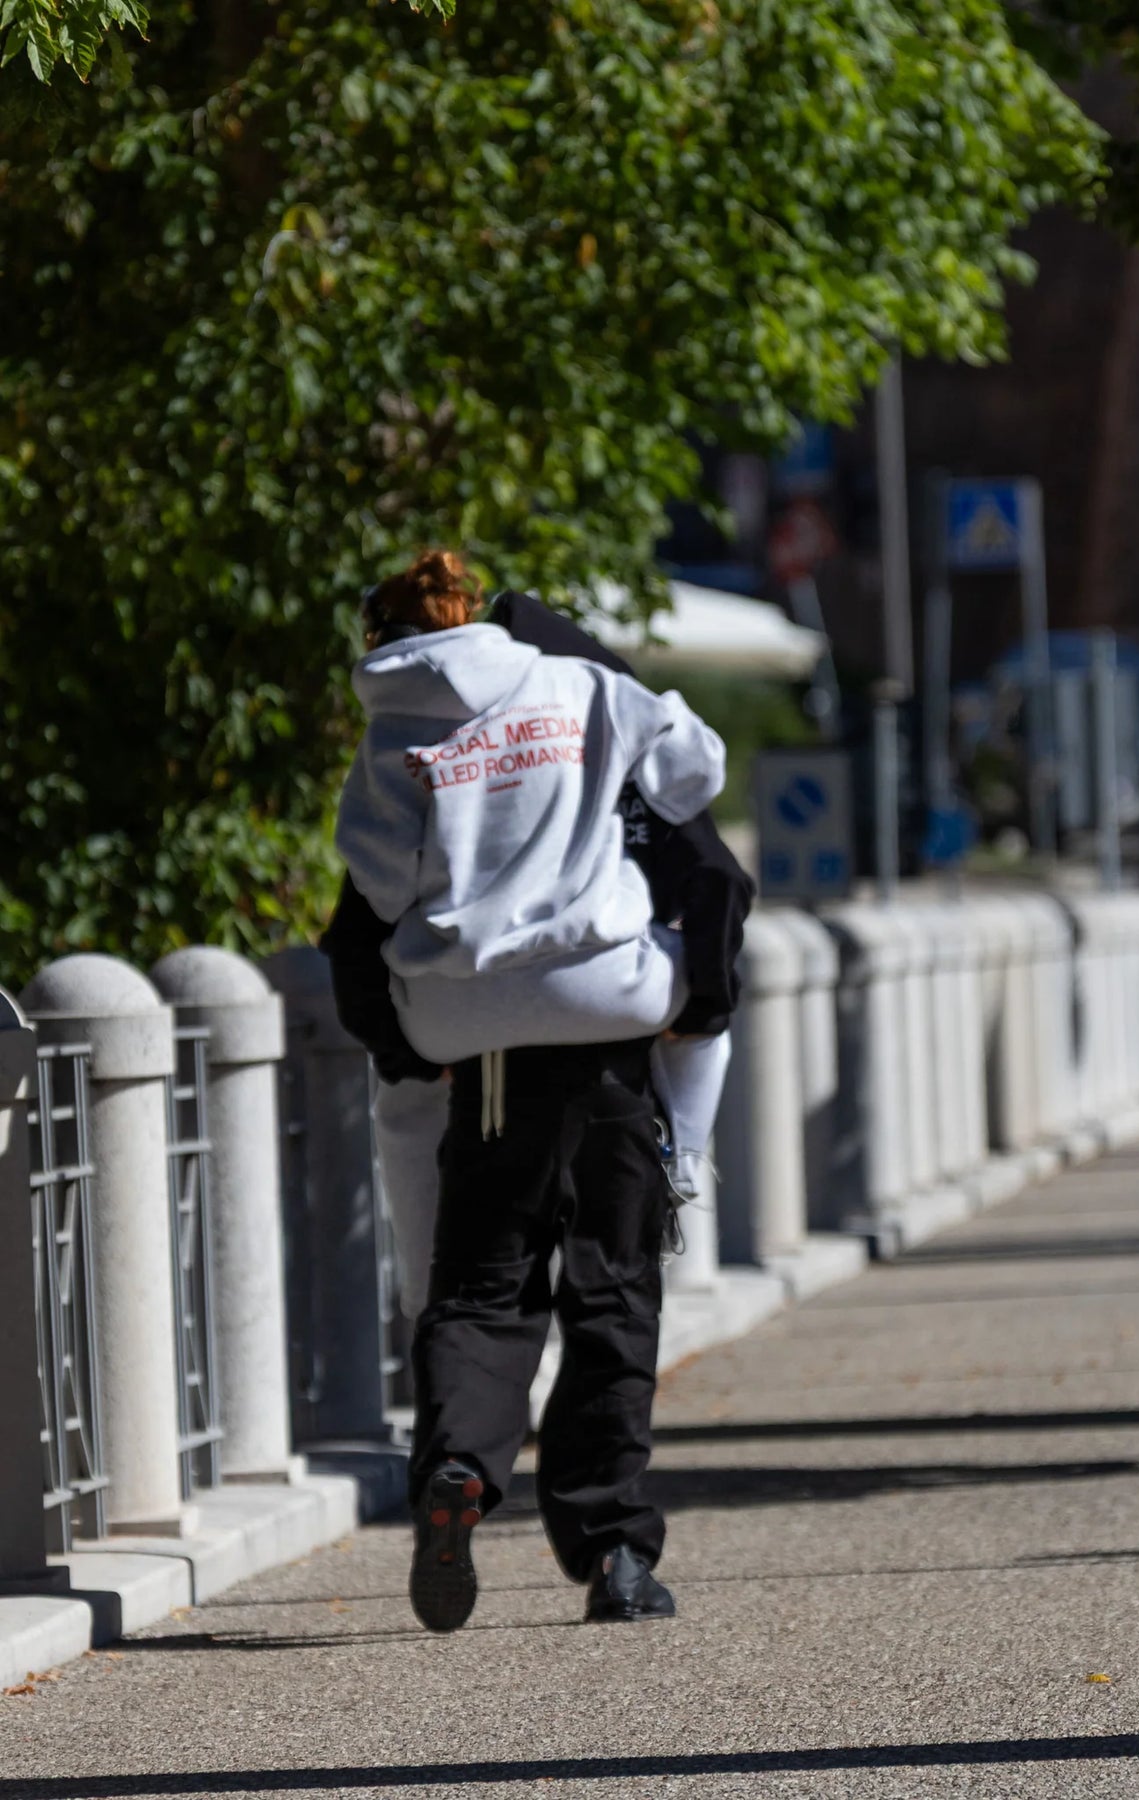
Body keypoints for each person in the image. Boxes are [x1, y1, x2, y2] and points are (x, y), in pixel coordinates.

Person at [326, 550, 739, 1633]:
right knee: (614, 1292)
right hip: (608, 1019)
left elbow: (375, 884)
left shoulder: (394, 726)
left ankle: (459, 1467)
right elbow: (694, 770)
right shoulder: (583, 685)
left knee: (484, 1287)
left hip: (484, 1041)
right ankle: (617, 1555)